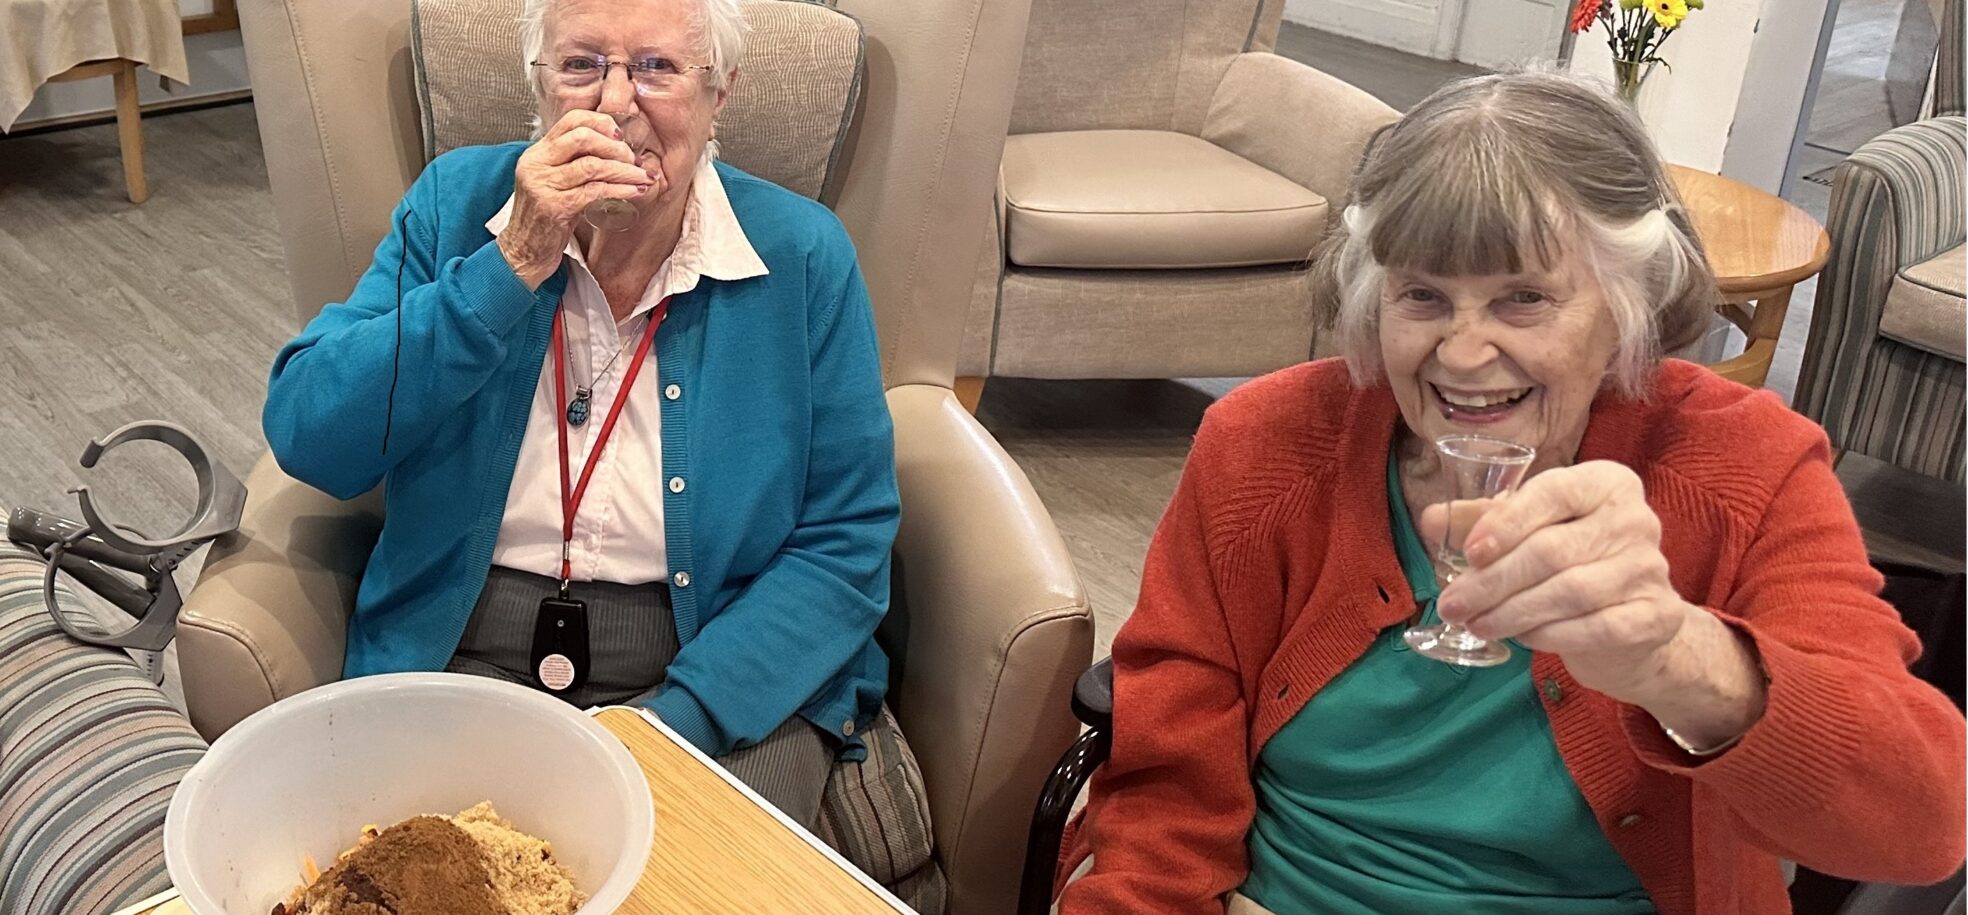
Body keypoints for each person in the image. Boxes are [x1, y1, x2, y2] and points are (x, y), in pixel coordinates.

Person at [1057, 70, 1966, 915]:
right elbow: (1167, 790)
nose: (1460, 352)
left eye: (1523, 298)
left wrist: (1681, 661)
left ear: (1627, 304)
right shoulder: (1266, 446)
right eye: (1422, 295)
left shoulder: (1741, 466)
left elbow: (1924, 824)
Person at [260, 0, 899, 831]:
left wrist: (682, 721)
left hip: (718, 662)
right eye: (582, 65)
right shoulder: (456, 205)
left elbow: (845, 540)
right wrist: (510, 265)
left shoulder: (804, 255)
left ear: (720, 94)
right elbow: (311, 433)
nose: (615, 102)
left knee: (701, 881)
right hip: (464, 645)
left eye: (658, 68)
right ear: (540, 87)